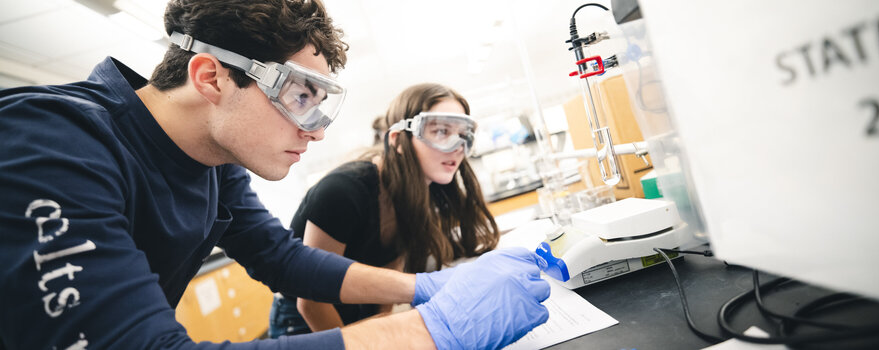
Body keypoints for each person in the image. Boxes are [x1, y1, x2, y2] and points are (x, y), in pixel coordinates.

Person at [0, 0, 551, 349]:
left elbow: (281, 259)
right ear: (211, 76)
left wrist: (427, 288)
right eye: (299, 97)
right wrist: (430, 331)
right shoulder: (52, 142)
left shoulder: (213, 160)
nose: (315, 132)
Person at [269, 83, 500, 337]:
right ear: (398, 140)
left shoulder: (418, 192)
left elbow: (385, 280)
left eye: (463, 134)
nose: (456, 146)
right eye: (442, 131)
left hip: (356, 309)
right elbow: (311, 300)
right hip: (304, 323)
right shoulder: (343, 192)